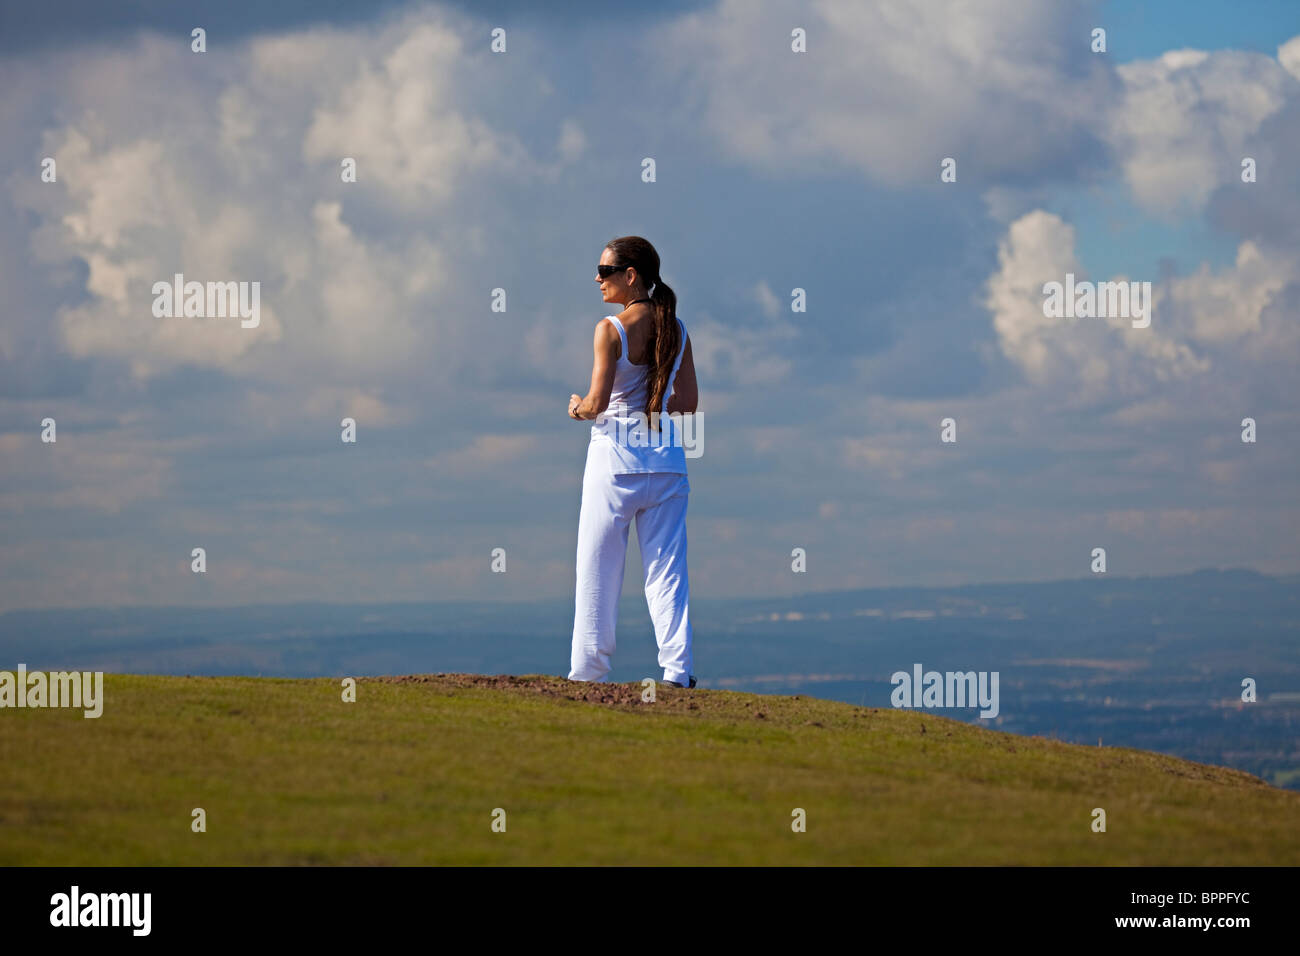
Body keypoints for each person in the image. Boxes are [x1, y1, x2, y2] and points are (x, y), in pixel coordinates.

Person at [566, 236, 699, 688]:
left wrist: (577, 406)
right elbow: (689, 402)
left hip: (615, 463)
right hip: (666, 463)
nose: (597, 279)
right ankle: (678, 672)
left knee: (598, 567)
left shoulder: (609, 329)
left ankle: (588, 672)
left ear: (630, 276)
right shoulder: (676, 329)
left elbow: (598, 402)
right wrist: (654, 396)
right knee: (667, 571)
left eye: (604, 272)